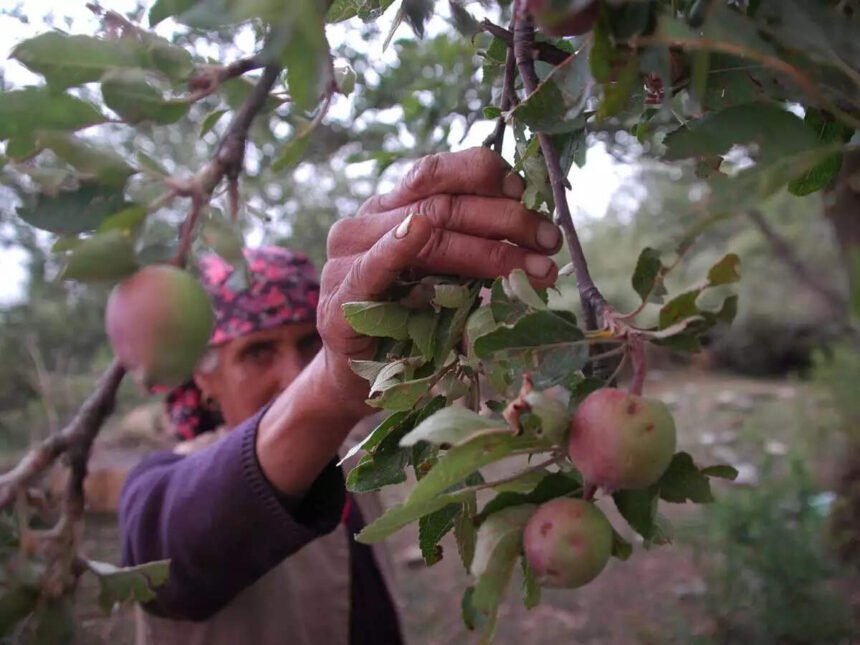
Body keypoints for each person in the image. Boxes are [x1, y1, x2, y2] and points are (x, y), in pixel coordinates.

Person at [118, 147, 562, 645]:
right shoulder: (163, 485)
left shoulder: (351, 457)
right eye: (257, 353)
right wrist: (327, 383)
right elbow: (162, 554)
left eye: (309, 344)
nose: (292, 374)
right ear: (204, 378)